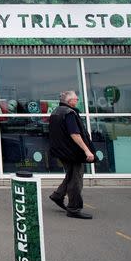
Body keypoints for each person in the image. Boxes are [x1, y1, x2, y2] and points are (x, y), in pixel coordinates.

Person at [48, 90, 95, 219]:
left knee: (71, 174)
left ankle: (58, 195)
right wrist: (87, 150)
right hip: (71, 152)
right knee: (76, 179)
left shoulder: (56, 112)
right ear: (69, 101)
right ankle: (74, 208)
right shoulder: (69, 113)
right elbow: (74, 134)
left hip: (62, 151)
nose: (77, 101)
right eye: (76, 99)